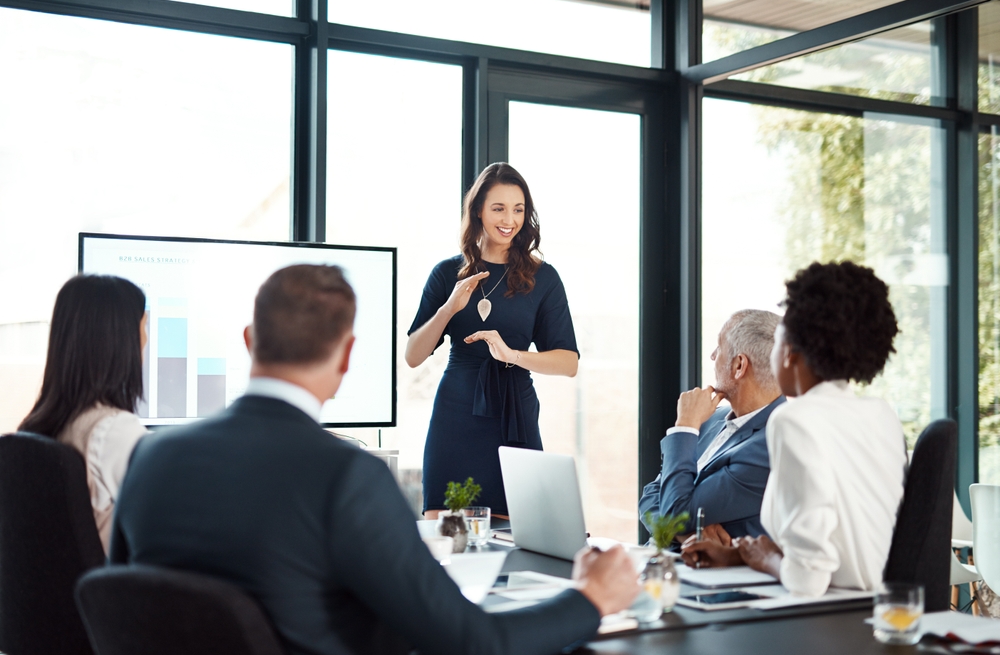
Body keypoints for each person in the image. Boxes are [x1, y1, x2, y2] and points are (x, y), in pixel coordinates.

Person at [110, 264, 639, 655]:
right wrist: (591, 598)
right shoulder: (347, 476)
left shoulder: (150, 457)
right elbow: (474, 641)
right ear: (345, 356)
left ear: (250, 342)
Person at [681, 261, 907, 598]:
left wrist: (768, 558)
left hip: (827, 620)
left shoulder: (794, 420)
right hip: (875, 607)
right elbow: (843, 538)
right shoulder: (881, 414)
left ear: (789, 352)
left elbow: (808, 579)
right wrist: (739, 556)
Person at [405, 162, 579, 517]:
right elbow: (412, 355)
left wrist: (512, 354)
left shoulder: (542, 278)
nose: (509, 219)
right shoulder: (446, 273)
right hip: (456, 410)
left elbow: (568, 362)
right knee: (445, 528)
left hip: (513, 414)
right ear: (479, 211)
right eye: (499, 208)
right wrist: (449, 308)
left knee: (516, 529)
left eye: (518, 209)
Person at [18, 274, 148, 553]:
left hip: (62, 595)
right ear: (121, 341)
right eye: (144, 328)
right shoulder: (113, 432)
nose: (146, 342)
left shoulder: (37, 427)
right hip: (113, 594)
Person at [638, 310, 784, 539]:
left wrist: (685, 426)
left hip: (703, 572)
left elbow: (675, 515)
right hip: (664, 562)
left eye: (719, 348)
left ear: (739, 365)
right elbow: (650, 495)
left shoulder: (771, 444)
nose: (713, 356)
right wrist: (682, 535)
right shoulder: (711, 418)